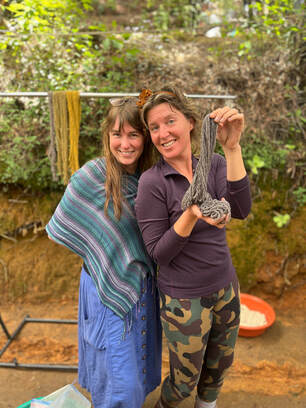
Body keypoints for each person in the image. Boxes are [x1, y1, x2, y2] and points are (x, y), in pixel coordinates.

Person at [135, 86, 252, 408]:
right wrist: (190, 213)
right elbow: (159, 253)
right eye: (154, 128)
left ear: (190, 122)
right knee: (184, 380)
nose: (162, 133)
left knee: (217, 369)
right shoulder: (153, 182)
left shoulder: (214, 165)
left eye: (169, 121)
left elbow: (241, 209)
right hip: (184, 300)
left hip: (226, 288)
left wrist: (232, 149)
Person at [46, 97, 162, 408]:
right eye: (116, 134)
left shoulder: (153, 178)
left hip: (144, 291)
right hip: (105, 289)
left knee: (137, 372)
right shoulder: (91, 177)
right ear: (106, 136)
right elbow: (69, 223)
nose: (125, 144)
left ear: (145, 137)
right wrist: (102, 255)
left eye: (133, 135)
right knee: (118, 382)